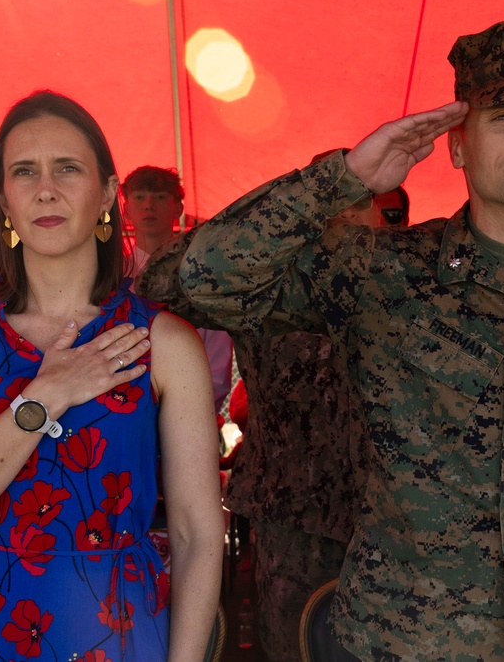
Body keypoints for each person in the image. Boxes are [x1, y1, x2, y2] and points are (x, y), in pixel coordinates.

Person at [140, 21, 504, 661]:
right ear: (456, 146)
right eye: (502, 115)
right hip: (412, 641)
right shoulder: (382, 274)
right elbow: (184, 281)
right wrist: (342, 179)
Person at [0, 90, 224, 661]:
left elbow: (196, 535)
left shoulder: (164, 342)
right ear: (3, 202)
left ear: (108, 196)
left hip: (120, 635)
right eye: (24, 172)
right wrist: (44, 397)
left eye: (67, 168)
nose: (46, 188)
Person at [138, 154, 390, 661]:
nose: (344, 215)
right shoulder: (257, 288)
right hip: (293, 520)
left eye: (359, 201)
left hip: (400, 521)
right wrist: (301, 197)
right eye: (330, 202)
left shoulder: (410, 280)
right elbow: (162, 279)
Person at [120, 165, 234, 415]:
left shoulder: (202, 276)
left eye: (160, 197)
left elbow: (216, 366)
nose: (149, 205)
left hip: (188, 414)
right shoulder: (113, 277)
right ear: (125, 209)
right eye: (139, 197)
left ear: (178, 208)